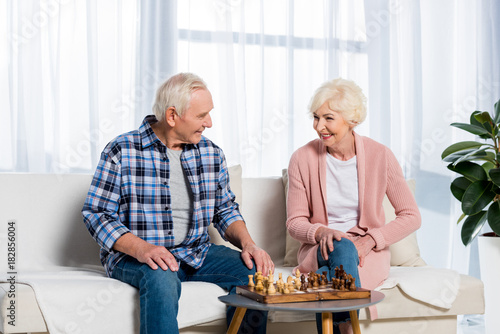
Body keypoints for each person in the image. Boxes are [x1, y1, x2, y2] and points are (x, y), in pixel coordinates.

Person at [82, 72, 274, 334]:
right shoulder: (122, 150)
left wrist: (250, 244)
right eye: (201, 115)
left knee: (253, 274)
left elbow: (225, 209)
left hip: (196, 251)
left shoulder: (211, 153)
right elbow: (97, 213)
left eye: (209, 113)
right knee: (161, 277)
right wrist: (142, 249)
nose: (209, 122)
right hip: (135, 256)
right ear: (172, 116)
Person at [286, 78, 421, 334]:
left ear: (352, 120)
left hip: (367, 253)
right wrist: (321, 232)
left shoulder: (380, 155)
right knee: (341, 247)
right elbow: (295, 223)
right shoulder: (301, 158)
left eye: (328, 118)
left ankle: (333, 310)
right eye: (316, 117)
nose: (319, 126)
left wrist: (371, 240)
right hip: (318, 248)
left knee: (328, 278)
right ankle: (349, 327)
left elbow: (411, 216)